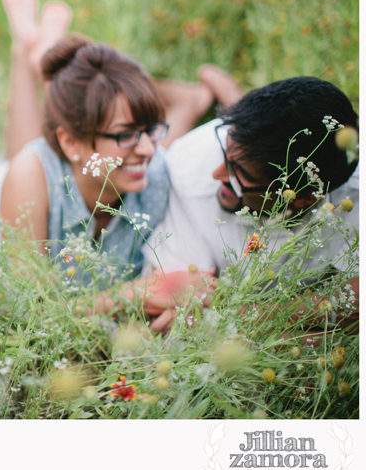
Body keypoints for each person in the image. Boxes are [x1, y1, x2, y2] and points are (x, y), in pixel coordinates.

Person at [0, 0, 239, 286]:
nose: (150, 149)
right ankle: (25, 50)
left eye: (152, 129)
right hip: (9, 186)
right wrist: (135, 296)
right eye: (125, 135)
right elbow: (29, 311)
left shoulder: (159, 174)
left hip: (86, 146)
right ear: (70, 142)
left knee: (103, 105)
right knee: (22, 156)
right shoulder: (29, 175)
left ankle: (48, 56)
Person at [119, 76, 360, 331]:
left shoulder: (353, 194)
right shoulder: (189, 170)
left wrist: (252, 316)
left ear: (303, 198)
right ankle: (194, 100)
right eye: (226, 152)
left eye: (240, 173)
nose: (218, 173)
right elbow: (177, 295)